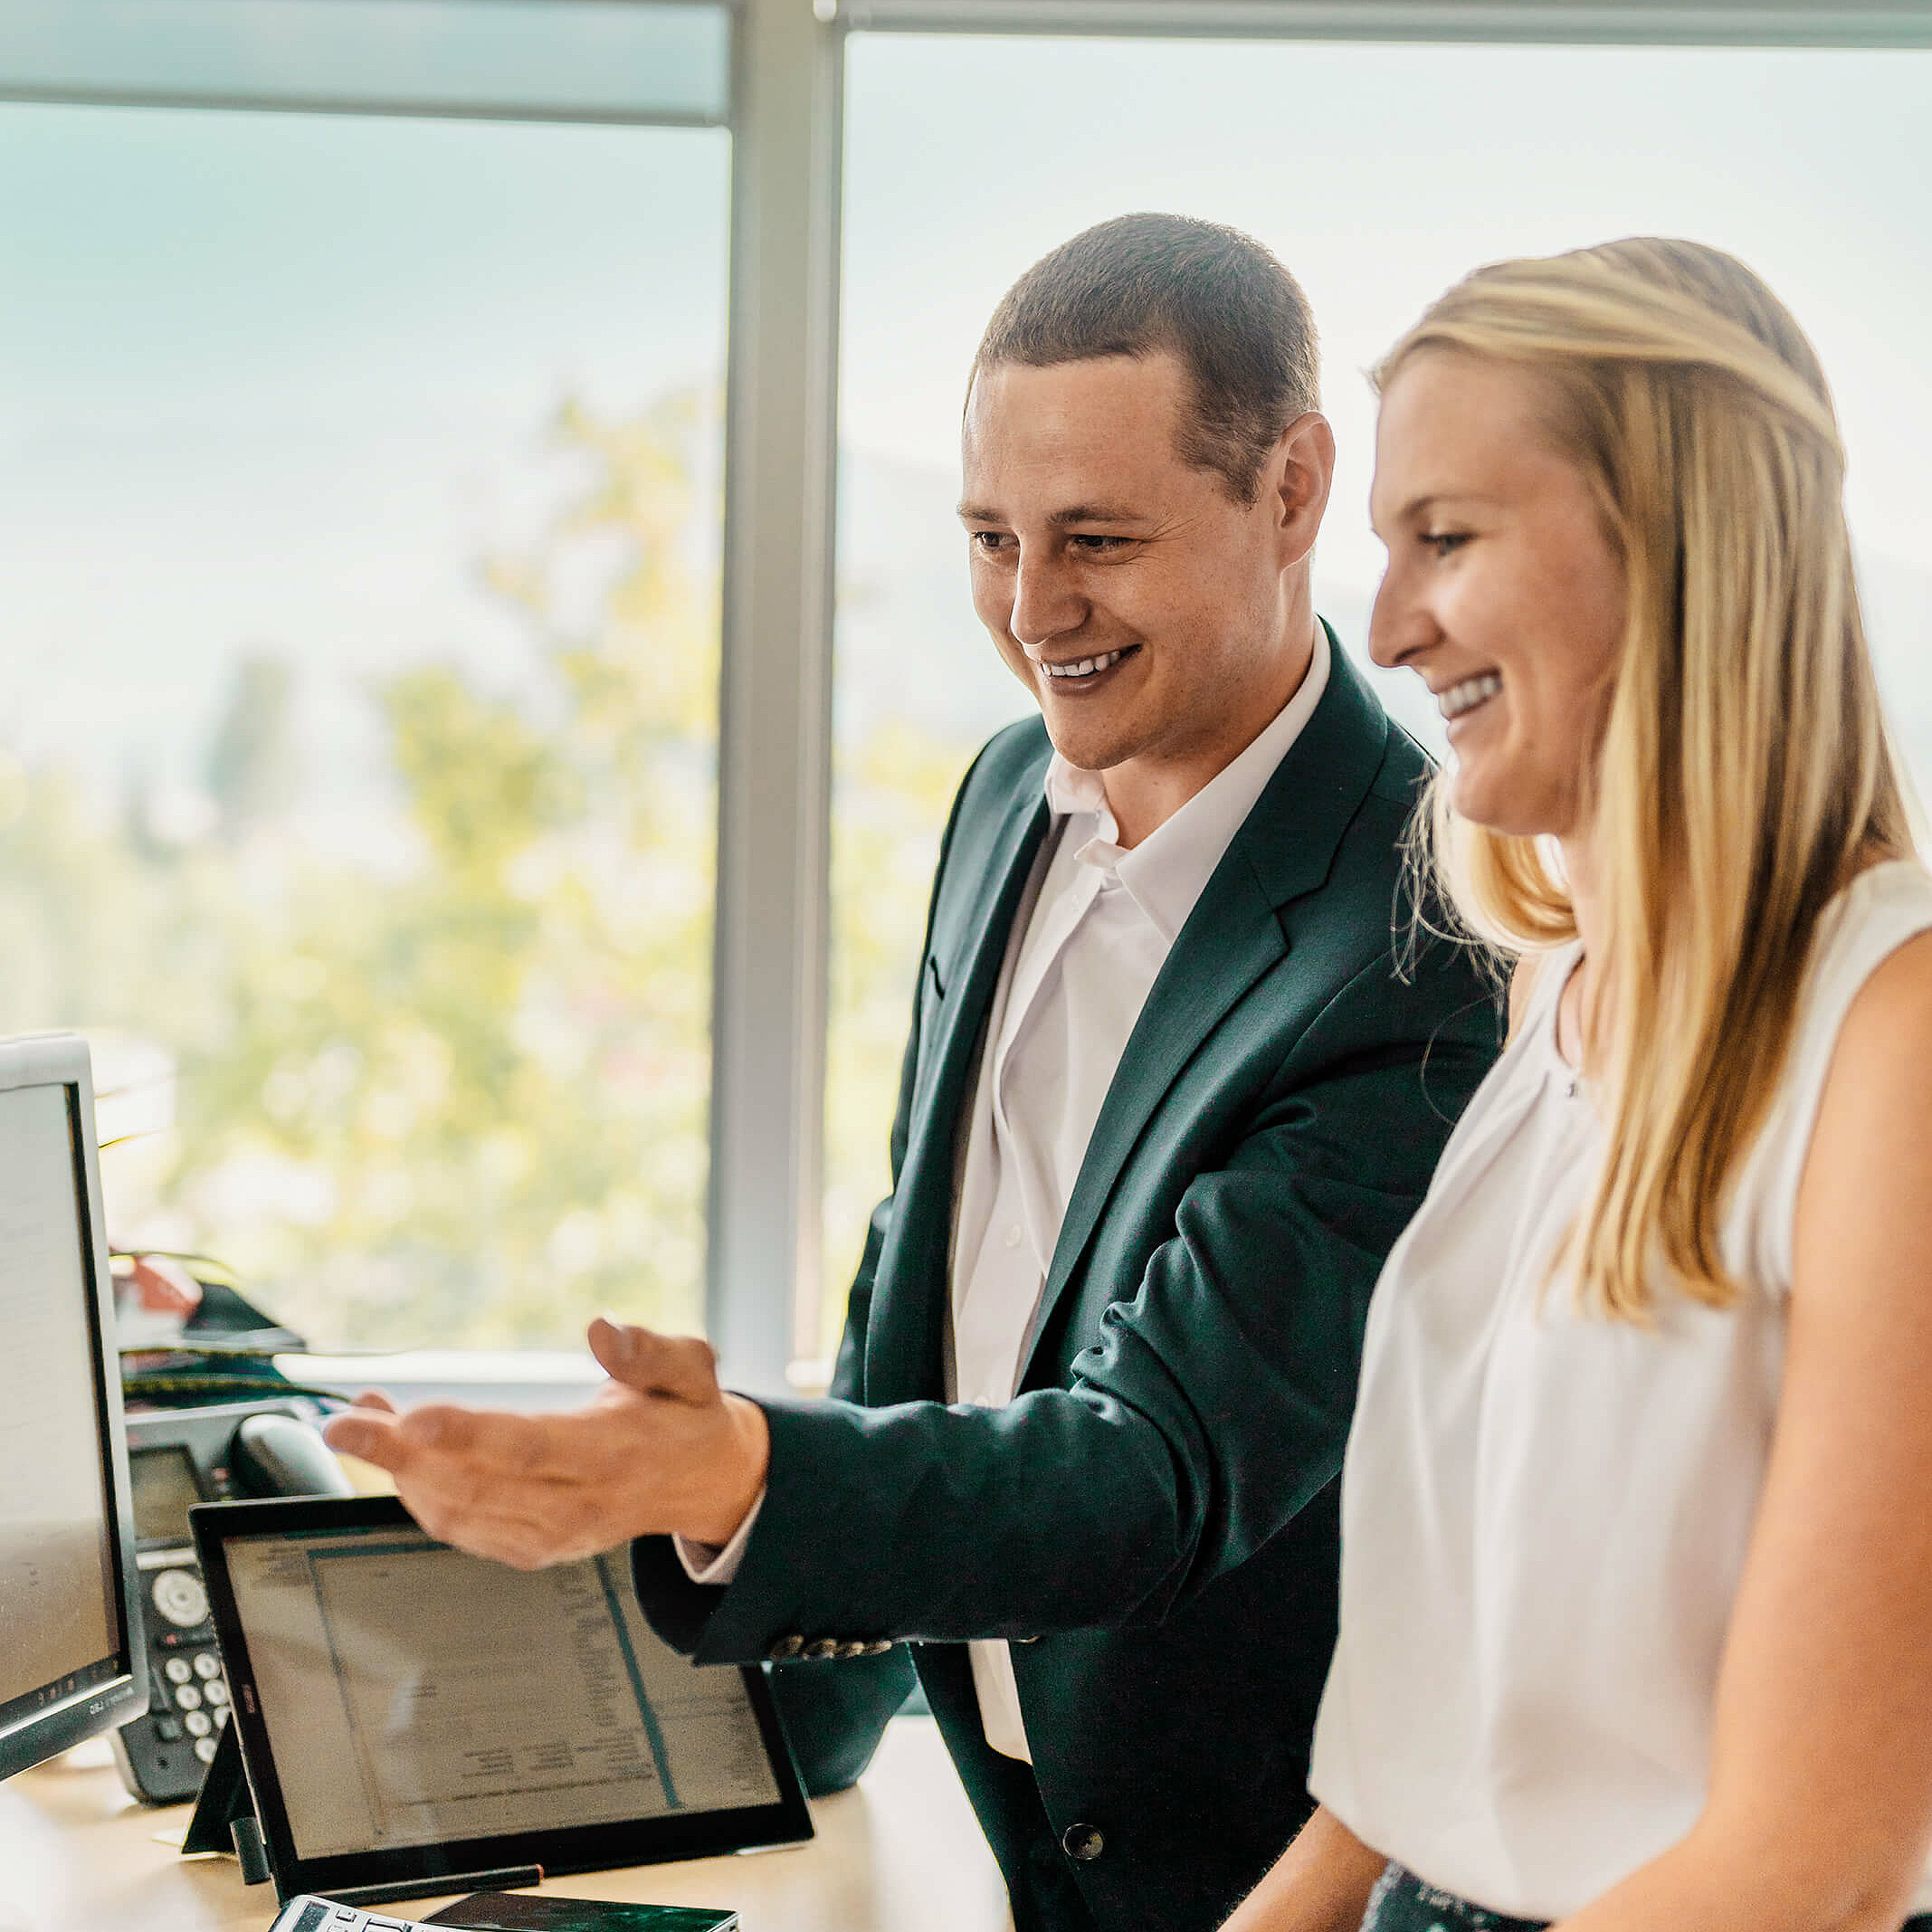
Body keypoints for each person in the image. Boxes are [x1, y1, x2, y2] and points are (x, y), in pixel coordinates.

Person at [324, 214, 1500, 1932]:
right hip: (1012, 1838)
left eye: (1097, 539)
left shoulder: (1422, 937)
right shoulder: (1006, 796)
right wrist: (760, 1764)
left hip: (1252, 1879)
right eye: (989, 540)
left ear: (1296, 490)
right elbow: (925, 1282)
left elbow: (1147, 1467)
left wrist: (736, 1472)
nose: (1033, 613)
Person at [1223, 237, 1932, 1932]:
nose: (1386, 630)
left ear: (1683, 540)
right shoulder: (1557, 1000)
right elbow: (1436, 1749)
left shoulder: (1891, 1033)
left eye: (1447, 541)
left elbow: (1806, 1867)